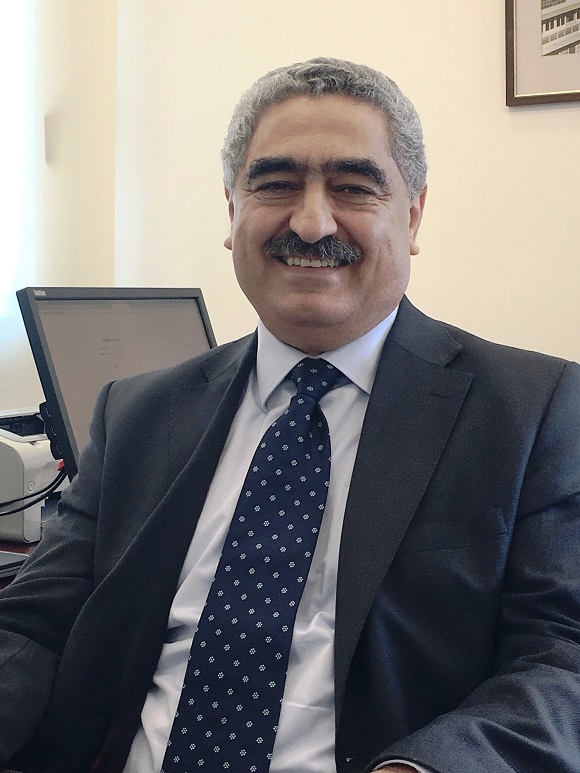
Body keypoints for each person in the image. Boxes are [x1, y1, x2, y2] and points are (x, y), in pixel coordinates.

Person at [0, 57, 579, 773]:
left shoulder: (531, 410)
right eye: (275, 184)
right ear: (232, 211)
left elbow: (562, 660)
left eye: (353, 187)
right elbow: (32, 626)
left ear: (413, 215)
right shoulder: (138, 413)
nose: (310, 222)